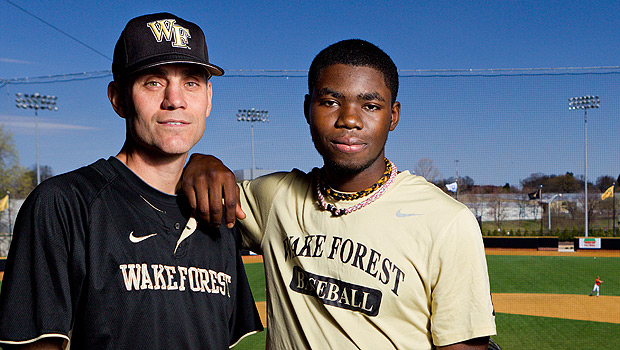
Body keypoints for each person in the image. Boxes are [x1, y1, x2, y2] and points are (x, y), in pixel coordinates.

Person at [183, 39, 496, 349]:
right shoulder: (274, 197)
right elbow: (189, 198)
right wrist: (199, 161)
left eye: (370, 105)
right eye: (331, 102)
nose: (349, 119)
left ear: (393, 116)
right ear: (308, 109)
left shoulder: (447, 221)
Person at [0, 13, 262, 349]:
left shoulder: (217, 211)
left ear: (208, 98)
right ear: (118, 98)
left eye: (191, 83)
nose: (175, 99)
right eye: (153, 82)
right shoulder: (64, 203)